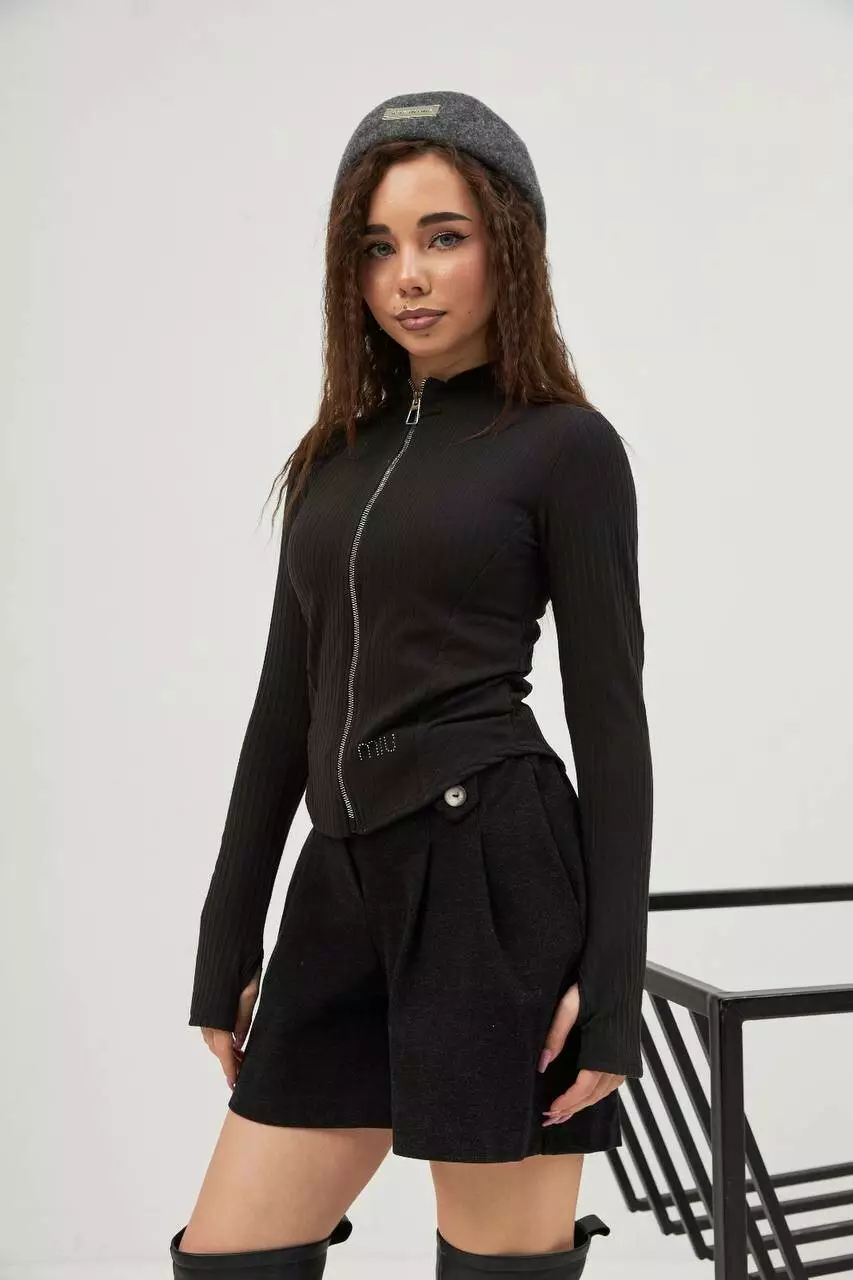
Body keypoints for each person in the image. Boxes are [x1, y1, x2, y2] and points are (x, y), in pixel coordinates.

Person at [170, 89, 653, 1279]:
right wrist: (228, 931)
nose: (410, 277)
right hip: (338, 886)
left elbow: (611, 722)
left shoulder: (565, 446)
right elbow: (283, 708)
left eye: (444, 236)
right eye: (378, 246)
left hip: (493, 877)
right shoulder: (332, 461)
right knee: (230, 1254)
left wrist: (612, 984)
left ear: (508, 242)